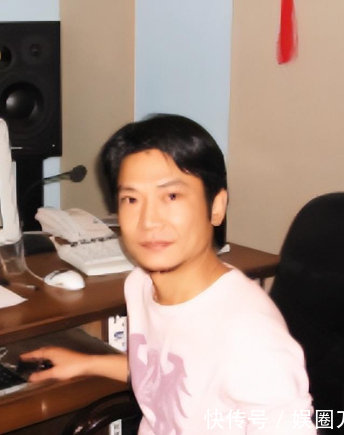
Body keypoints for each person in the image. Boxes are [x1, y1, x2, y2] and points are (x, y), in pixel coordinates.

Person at [21, 114, 315, 434]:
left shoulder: (248, 332)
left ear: (216, 206)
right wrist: (88, 363)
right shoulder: (141, 283)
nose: (149, 221)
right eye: (131, 199)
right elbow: (167, 376)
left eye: (171, 196)